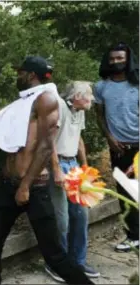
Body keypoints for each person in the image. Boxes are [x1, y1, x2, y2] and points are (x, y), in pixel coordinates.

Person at [0, 56, 93, 285]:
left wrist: (25, 187)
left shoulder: (46, 99)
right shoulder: (24, 102)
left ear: (31, 75)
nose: (17, 76)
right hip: (8, 185)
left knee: (55, 256)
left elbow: (45, 147)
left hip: (34, 188)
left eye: (20, 72)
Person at [45, 81, 100, 282]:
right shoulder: (59, 106)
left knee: (81, 214)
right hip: (57, 164)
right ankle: (58, 264)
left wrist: (85, 168)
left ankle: (78, 261)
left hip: (73, 165)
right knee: (62, 219)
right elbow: (49, 139)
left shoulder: (80, 110)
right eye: (89, 95)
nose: (92, 99)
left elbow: (78, 139)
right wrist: (56, 168)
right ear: (77, 96)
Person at [94, 42, 139, 252]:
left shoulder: (137, 84)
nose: (116, 62)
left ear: (128, 59)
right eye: (112, 58)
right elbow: (99, 115)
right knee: (126, 191)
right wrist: (109, 137)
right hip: (119, 148)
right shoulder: (101, 87)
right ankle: (133, 236)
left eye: (120, 58)